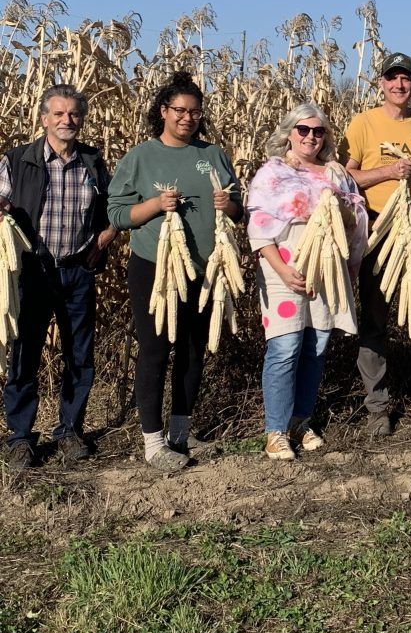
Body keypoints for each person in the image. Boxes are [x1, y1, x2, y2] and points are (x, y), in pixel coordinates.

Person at [107, 71, 242, 471]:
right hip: (155, 269)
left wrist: (229, 206)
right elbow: (117, 214)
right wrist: (155, 205)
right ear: (163, 111)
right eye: (179, 110)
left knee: (192, 351)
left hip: (205, 269)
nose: (187, 118)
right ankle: (153, 442)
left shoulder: (212, 155)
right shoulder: (141, 157)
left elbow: (240, 209)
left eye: (195, 111)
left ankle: (180, 434)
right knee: (154, 350)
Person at [0, 84, 118, 471]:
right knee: (24, 355)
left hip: (77, 270)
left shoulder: (93, 161)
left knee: (79, 357)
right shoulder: (18, 160)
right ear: (44, 118)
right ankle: (20, 438)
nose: (67, 120)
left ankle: (69, 431)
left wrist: (107, 234)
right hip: (33, 271)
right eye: (59, 114)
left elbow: (113, 207)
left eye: (74, 114)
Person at [340, 52, 411, 436]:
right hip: (380, 232)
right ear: (381, 83)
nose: (399, 85)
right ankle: (377, 407)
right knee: (376, 319)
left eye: (405, 78)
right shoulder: (363, 123)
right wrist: (388, 171)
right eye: (392, 78)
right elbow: (347, 177)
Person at [247, 103, 369, 460]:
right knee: (285, 347)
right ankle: (275, 431)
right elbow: (258, 227)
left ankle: (300, 421)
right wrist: (283, 270)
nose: (311, 137)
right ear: (289, 133)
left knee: (316, 348)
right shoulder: (272, 172)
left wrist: (338, 211)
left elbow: (354, 220)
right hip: (284, 266)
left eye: (318, 131)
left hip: (326, 268)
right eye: (303, 129)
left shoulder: (335, 174)